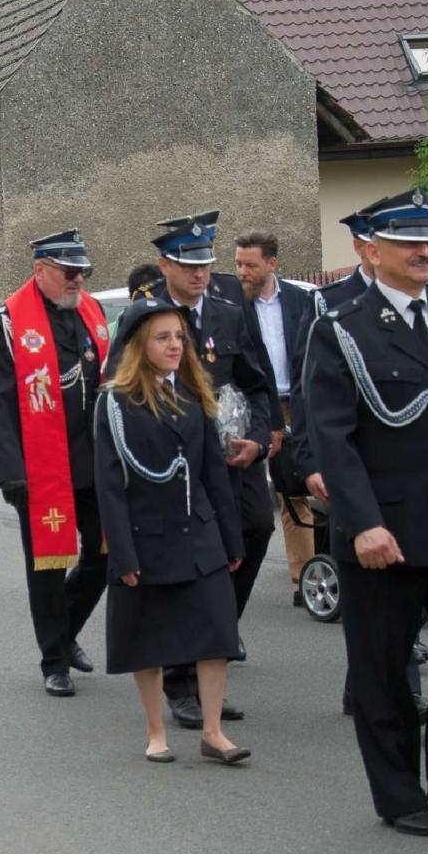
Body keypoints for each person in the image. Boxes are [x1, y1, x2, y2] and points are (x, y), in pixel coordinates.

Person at [304, 188, 428, 837]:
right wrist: (362, 521)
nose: (426, 250)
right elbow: (332, 436)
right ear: (370, 250)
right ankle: (399, 794)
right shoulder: (340, 326)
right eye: (408, 241)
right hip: (383, 527)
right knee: (385, 666)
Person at [129, 212, 274, 725]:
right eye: (189, 265)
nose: (200, 274)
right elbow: (121, 391)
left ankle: (215, 637)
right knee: (188, 564)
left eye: (206, 264)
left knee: (255, 529)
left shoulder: (230, 313)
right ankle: (183, 682)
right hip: (175, 468)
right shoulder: (147, 319)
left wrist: (258, 440)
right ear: (166, 264)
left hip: (232, 458)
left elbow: (258, 384)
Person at [96, 298, 250, 765]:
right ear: (141, 345)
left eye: (179, 337)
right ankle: (155, 731)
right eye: (163, 337)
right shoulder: (116, 403)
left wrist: (230, 537)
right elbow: (110, 485)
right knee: (149, 636)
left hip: (198, 531)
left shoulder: (193, 393)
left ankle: (212, 731)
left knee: (217, 631)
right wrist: (122, 553)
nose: (174, 346)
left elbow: (212, 476)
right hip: (147, 535)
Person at [297, 210, 428, 718]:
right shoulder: (328, 305)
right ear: (365, 248)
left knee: (404, 588)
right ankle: (389, 685)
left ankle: (376, 682)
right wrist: (309, 460)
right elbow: (313, 397)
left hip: (411, 479)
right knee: (370, 592)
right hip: (350, 472)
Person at [0, 230, 110, 697]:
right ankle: (54, 658)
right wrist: (11, 470)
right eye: (69, 272)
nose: (78, 280)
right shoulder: (8, 321)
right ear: (40, 270)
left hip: (94, 460)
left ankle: (67, 629)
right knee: (48, 566)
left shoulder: (91, 312)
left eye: (82, 272)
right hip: (39, 464)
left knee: (104, 552)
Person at [235, 230, 314, 604]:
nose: (242, 272)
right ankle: (301, 574)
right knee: (280, 492)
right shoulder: (234, 305)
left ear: (271, 264)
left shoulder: (302, 301)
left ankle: (306, 580)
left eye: (250, 265)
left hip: (300, 403)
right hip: (258, 408)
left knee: (300, 488)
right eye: (238, 264)